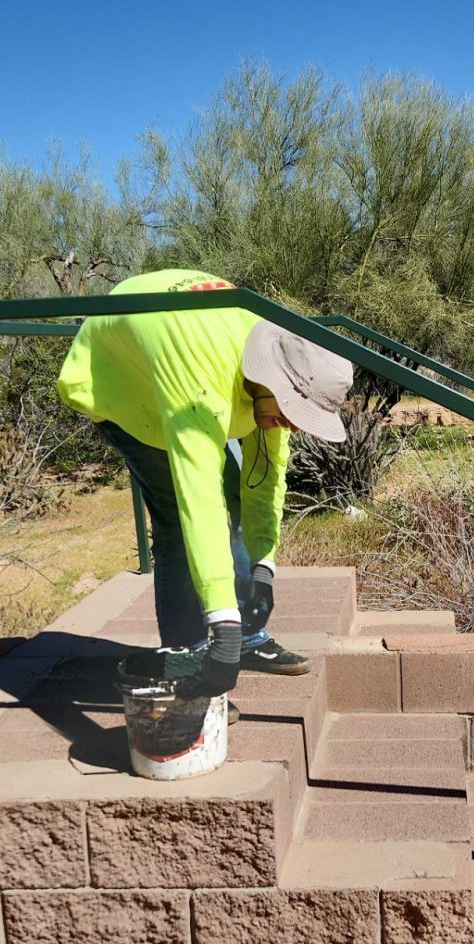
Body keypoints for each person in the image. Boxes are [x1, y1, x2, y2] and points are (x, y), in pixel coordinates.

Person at [56, 268, 352, 703]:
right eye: (291, 411)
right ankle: (189, 659)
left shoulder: (279, 363)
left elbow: (264, 480)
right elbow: (200, 497)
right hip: (123, 377)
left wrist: (264, 570)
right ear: (269, 380)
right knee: (181, 520)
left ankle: (246, 636)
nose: (292, 425)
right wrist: (221, 620)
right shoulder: (200, 381)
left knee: (235, 498)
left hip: (197, 361)